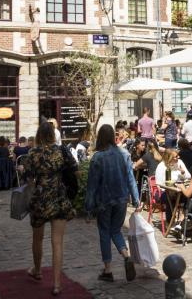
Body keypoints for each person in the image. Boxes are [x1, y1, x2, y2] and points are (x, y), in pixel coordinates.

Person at [24, 121, 79, 295]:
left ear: (39, 135)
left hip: (40, 199)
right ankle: (56, 284)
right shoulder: (61, 151)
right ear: (52, 135)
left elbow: (29, 180)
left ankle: (38, 270)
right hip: (59, 198)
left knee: (37, 238)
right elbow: (76, 172)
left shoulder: (33, 152)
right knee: (57, 243)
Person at [85, 125, 140, 283]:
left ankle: (108, 270)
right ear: (113, 137)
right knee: (116, 230)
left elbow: (92, 186)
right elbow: (131, 179)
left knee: (104, 232)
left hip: (104, 201)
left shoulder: (97, 157)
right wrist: (136, 200)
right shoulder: (124, 154)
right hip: (122, 199)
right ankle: (126, 256)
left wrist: (89, 208)